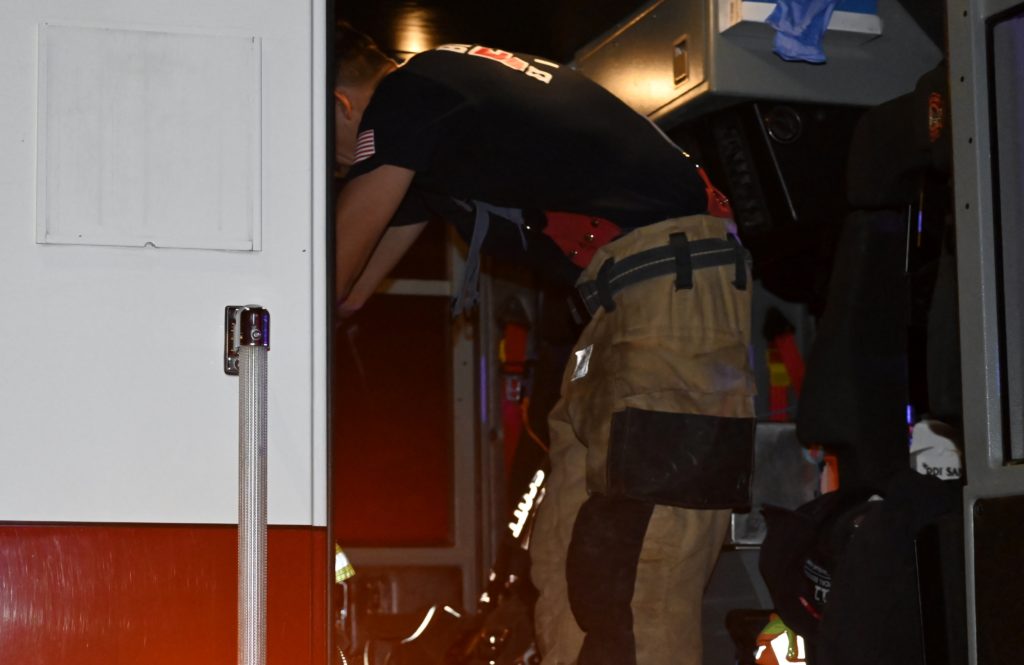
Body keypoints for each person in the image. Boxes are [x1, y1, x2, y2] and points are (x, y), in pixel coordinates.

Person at [334, 22, 757, 665]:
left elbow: (331, 269)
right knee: (565, 558)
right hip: (621, 304)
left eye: (332, 153)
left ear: (341, 106)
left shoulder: (409, 95)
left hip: (669, 289)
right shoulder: (434, 118)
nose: (340, 168)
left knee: (640, 567)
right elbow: (348, 294)